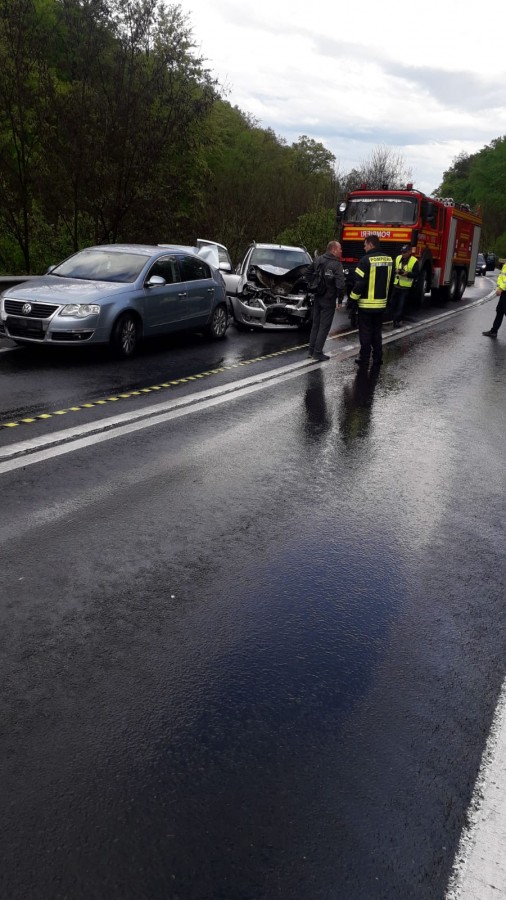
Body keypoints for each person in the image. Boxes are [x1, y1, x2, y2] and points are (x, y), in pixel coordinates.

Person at [349, 235, 393, 369]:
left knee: (366, 333)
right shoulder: (389, 260)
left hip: (366, 305)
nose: (364, 247)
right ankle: (378, 358)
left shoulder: (365, 260)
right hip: (381, 304)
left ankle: (364, 358)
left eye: (365, 244)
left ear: (371, 245)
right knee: (377, 333)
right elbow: (391, 283)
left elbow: (359, 284)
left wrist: (352, 299)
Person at [307, 240, 345, 361]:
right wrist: (340, 299)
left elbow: (307, 272)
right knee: (324, 326)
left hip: (318, 296)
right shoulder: (337, 264)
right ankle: (317, 352)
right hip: (328, 299)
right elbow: (340, 284)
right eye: (340, 249)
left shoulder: (318, 259)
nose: (341, 251)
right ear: (333, 249)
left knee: (315, 325)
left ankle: (311, 351)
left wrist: (313, 285)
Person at [390, 244, 419, 327]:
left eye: (405, 252)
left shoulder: (414, 261)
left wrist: (407, 274)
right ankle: (393, 318)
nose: (403, 254)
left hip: (405, 287)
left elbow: (416, 273)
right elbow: (392, 268)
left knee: (401, 304)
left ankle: (397, 320)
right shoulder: (398, 258)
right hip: (396, 285)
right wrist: (395, 271)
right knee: (393, 303)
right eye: (402, 252)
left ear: (410, 252)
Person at [483, 262, 506, 338]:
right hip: (503, 292)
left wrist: (501, 288)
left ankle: (493, 331)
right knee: (499, 311)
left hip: (504, 290)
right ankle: (493, 331)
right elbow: (502, 277)